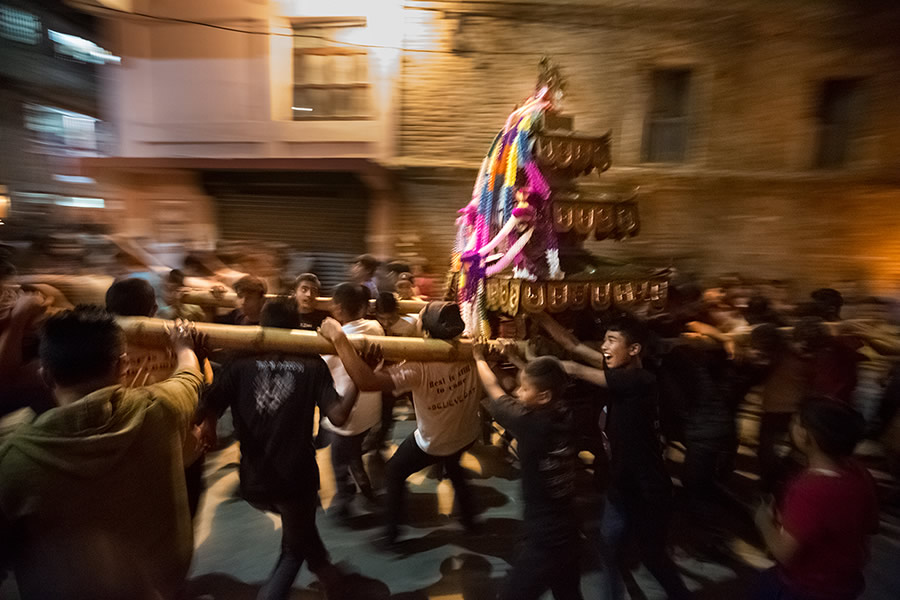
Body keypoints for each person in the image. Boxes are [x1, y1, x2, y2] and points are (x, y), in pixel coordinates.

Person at [0, 308, 204, 599]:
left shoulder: (12, 462)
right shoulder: (161, 409)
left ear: (45, 376)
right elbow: (189, 376)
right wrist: (184, 347)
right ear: (122, 365)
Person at [198, 300, 358, 600]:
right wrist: (359, 382)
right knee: (291, 550)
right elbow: (339, 416)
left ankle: (330, 576)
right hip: (296, 479)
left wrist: (206, 424)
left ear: (262, 327)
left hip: (253, 480)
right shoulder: (312, 365)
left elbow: (208, 406)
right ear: (297, 328)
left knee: (300, 528)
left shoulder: (238, 363)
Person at [545, 314, 692, 600]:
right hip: (621, 486)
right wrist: (538, 315)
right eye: (604, 340)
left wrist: (535, 368)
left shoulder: (641, 380)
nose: (603, 347)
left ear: (635, 349)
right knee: (609, 548)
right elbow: (572, 345)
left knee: (653, 558)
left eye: (611, 341)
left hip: (648, 490)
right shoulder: (619, 374)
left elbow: (574, 366)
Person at [319, 301, 481, 545]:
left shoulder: (419, 367)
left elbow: (366, 382)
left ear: (426, 333)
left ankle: (392, 533)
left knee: (394, 471)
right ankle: (470, 520)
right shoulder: (471, 351)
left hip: (434, 441)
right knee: (454, 465)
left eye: (420, 317)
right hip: (467, 433)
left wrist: (339, 337)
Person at [474, 347, 582, 600]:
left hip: (546, 537)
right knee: (568, 594)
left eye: (524, 389)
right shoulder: (564, 411)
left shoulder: (529, 423)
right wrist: (512, 359)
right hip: (569, 528)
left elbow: (494, 390)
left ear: (543, 396)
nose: (518, 392)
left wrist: (478, 358)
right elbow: (529, 385)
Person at [754, 397, 878, 600]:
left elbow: (785, 554)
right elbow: (872, 525)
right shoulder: (859, 472)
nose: (791, 426)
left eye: (796, 422)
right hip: (843, 584)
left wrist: (763, 521)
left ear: (805, 435)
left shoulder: (811, 489)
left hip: (806, 587)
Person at [319, 283, 384, 519]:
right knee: (354, 452)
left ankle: (344, 499)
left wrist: (331, 333)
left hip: (349, 412)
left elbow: (323, 368)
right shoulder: (376, 327)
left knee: (339, 461)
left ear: (337, 308)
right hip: (370, 410)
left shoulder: (336, 342)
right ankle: (366, 488)